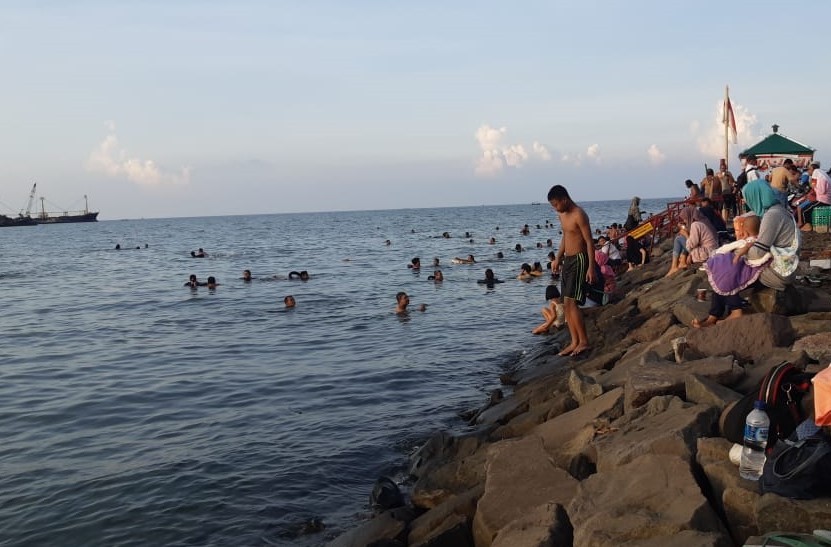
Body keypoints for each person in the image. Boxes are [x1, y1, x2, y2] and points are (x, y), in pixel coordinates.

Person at [693, 180, 800, 326]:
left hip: (778, 272)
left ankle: (735, 311)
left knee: (728, 269)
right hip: (786, 266)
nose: (746, 201)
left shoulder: (772, 216)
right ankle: (714, 315)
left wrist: (739, 251)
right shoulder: (780, 210)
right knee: (725, 265)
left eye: (747, 198)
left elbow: (757, 254)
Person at [547, 184, 595, 358]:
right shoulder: (562, 215)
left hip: (580, 259)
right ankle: (574, 341)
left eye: (556, 204)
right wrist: (558, 257)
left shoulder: (579, 215)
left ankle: (584, 342)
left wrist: (591, 267)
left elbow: (590, 241)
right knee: (565, 303)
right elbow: (565, 237)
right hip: (567, 260)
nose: (555, 208)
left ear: (564, 199)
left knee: (573, 302)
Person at [665, 206, 718, 276]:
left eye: (685, 219)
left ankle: (674, 266)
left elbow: (692, 244)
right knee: (682, 238)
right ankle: (682, 261)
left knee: (679, 239)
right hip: (711, 249)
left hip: (706, 253)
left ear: (689, 216)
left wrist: (686, 234)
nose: (684, 221)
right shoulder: (702, 221)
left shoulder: (695, 225)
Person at [797, 161, 831, 230]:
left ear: (813, 169)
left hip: (823, 200)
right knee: (805, 208)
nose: (808, 171)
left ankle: (807, 225)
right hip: (824, 199)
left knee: (804, 210)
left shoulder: (817, 174)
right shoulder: (820, 174)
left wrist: (813, 186)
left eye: (809, 169)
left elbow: (821, 191)